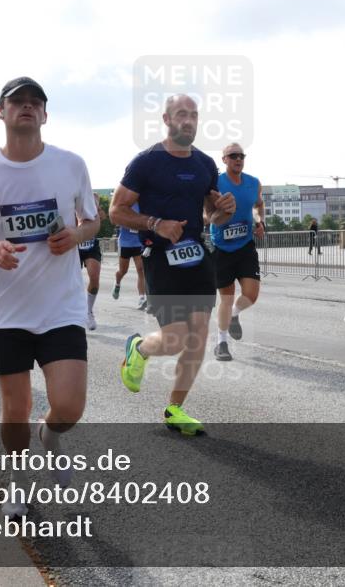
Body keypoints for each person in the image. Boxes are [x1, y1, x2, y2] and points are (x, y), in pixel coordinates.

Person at [0, 77, 99, 517]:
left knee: (69, 406)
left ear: (45, 114)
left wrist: (76, 235)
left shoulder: (71, 164)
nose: (27, 108)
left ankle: (50, 436)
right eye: (18, 102)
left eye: (36, 103)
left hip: (61, 307)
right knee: (15, 410)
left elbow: (92, 222)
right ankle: (17, 482)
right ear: (2, 113)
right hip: (6, 312)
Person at [110, 94, 236, 436]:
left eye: (194, 115)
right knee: (176, 339)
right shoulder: (146, 162)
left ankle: (175, 409)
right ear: (166, 119)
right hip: (160, 257)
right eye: (182, 114)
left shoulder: (205, 164)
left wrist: (224, 207)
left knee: (197, 338)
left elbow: (213, 215)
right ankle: (140, 347)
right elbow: (116, 210)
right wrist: (156, 224)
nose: (189, 121)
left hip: (197, 256)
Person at [210, 142, 264, 361]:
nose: (238, 159)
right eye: (233, 156)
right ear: (224, 160)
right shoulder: (215, 183)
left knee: (251, 294)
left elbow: (259, 205)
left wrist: (260, 221)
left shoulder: (253, 183)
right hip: (221, 248)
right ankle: (221, 342)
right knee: (226, 296)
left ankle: (234, 313)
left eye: (241, 155)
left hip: (245, 246)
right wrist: (210, 219)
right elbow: (205, 211)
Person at [112, 204, 148, 311]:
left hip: (139, 242)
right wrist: (130, 224)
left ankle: (141, 298)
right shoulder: (126, 203)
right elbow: (115, 219)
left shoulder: (142, 203)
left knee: (141, 269)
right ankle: (117, 283)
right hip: (125, 243)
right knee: (123, 271)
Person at [77, 205, 105, 330]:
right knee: (72, 281)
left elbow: (104, 216)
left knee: (94, 277)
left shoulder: (93, 197)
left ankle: (88, 312)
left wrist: (98, 210)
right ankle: (74, 312)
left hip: (91, 245)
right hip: (73, 244)